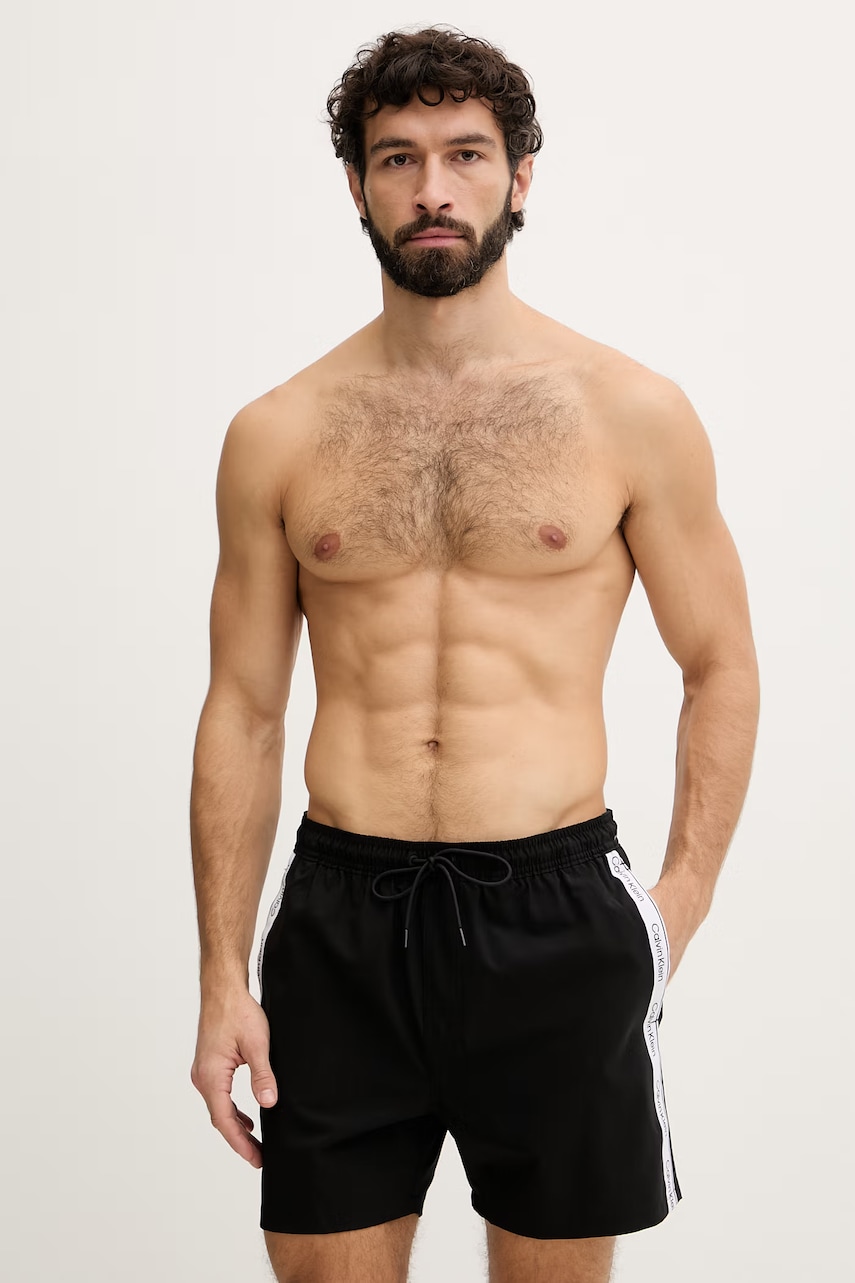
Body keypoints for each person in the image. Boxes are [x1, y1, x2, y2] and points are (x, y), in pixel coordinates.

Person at [189, 25, 760, 1283]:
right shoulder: (278, 432)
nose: (432, 188)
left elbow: (720, 660)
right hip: (341, 921)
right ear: (357, 185)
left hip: (558, 911)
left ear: (520, 175)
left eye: (465, 153)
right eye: (398, 158)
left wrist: (680, 899)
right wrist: (222, 972)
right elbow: (243, 706)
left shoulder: (629, 411)